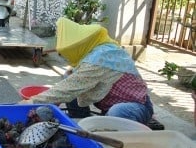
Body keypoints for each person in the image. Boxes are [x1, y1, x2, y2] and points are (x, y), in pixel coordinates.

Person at [20, 17, 154, 125]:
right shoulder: (99, 48)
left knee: (117, 112)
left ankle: (111, 134)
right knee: (69, 76)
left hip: (138, 107)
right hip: (111, 105)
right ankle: (79, 116)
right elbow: (71, 83)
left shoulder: (100, 59)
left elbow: (68, 89)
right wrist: (53, 99)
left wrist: (32, 101)